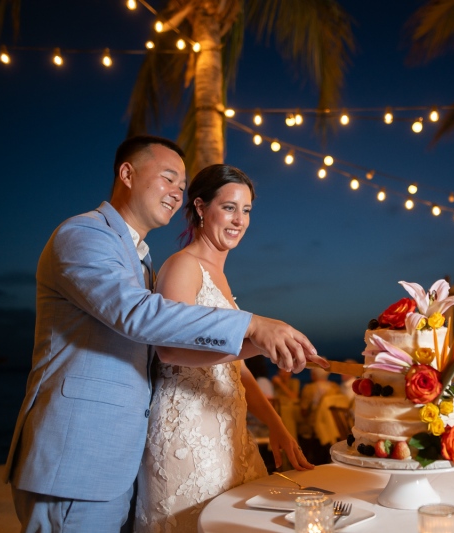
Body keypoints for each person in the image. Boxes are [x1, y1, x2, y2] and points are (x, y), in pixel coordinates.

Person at [4, 136, 326, 532]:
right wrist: (253, 326)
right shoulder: (84, 235)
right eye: (169, 179)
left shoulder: (143, 263)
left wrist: (271, 414)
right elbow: (139, 317)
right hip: (77, 457)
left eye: (181, 184)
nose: (177, 193)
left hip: (120, 457)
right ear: (126, 173)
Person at [135, 164, 313, 531]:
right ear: (200, 207)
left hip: (230, 434)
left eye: (246, 210)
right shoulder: (183, 266)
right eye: (229, 207)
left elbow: (235, 367)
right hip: (187, 435)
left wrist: (275, 424)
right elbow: (169, 350)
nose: (239, 220)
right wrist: (258, 342)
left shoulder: (219, 275)